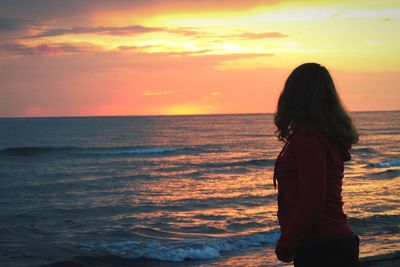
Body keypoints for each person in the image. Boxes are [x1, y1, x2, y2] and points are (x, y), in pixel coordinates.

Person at [273, 63, 360, 267]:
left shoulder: (309, 139)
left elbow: (312, 201)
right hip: (333, 242)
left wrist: (286, 244)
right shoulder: (322, 136)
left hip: (322, 247)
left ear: (295, 96)